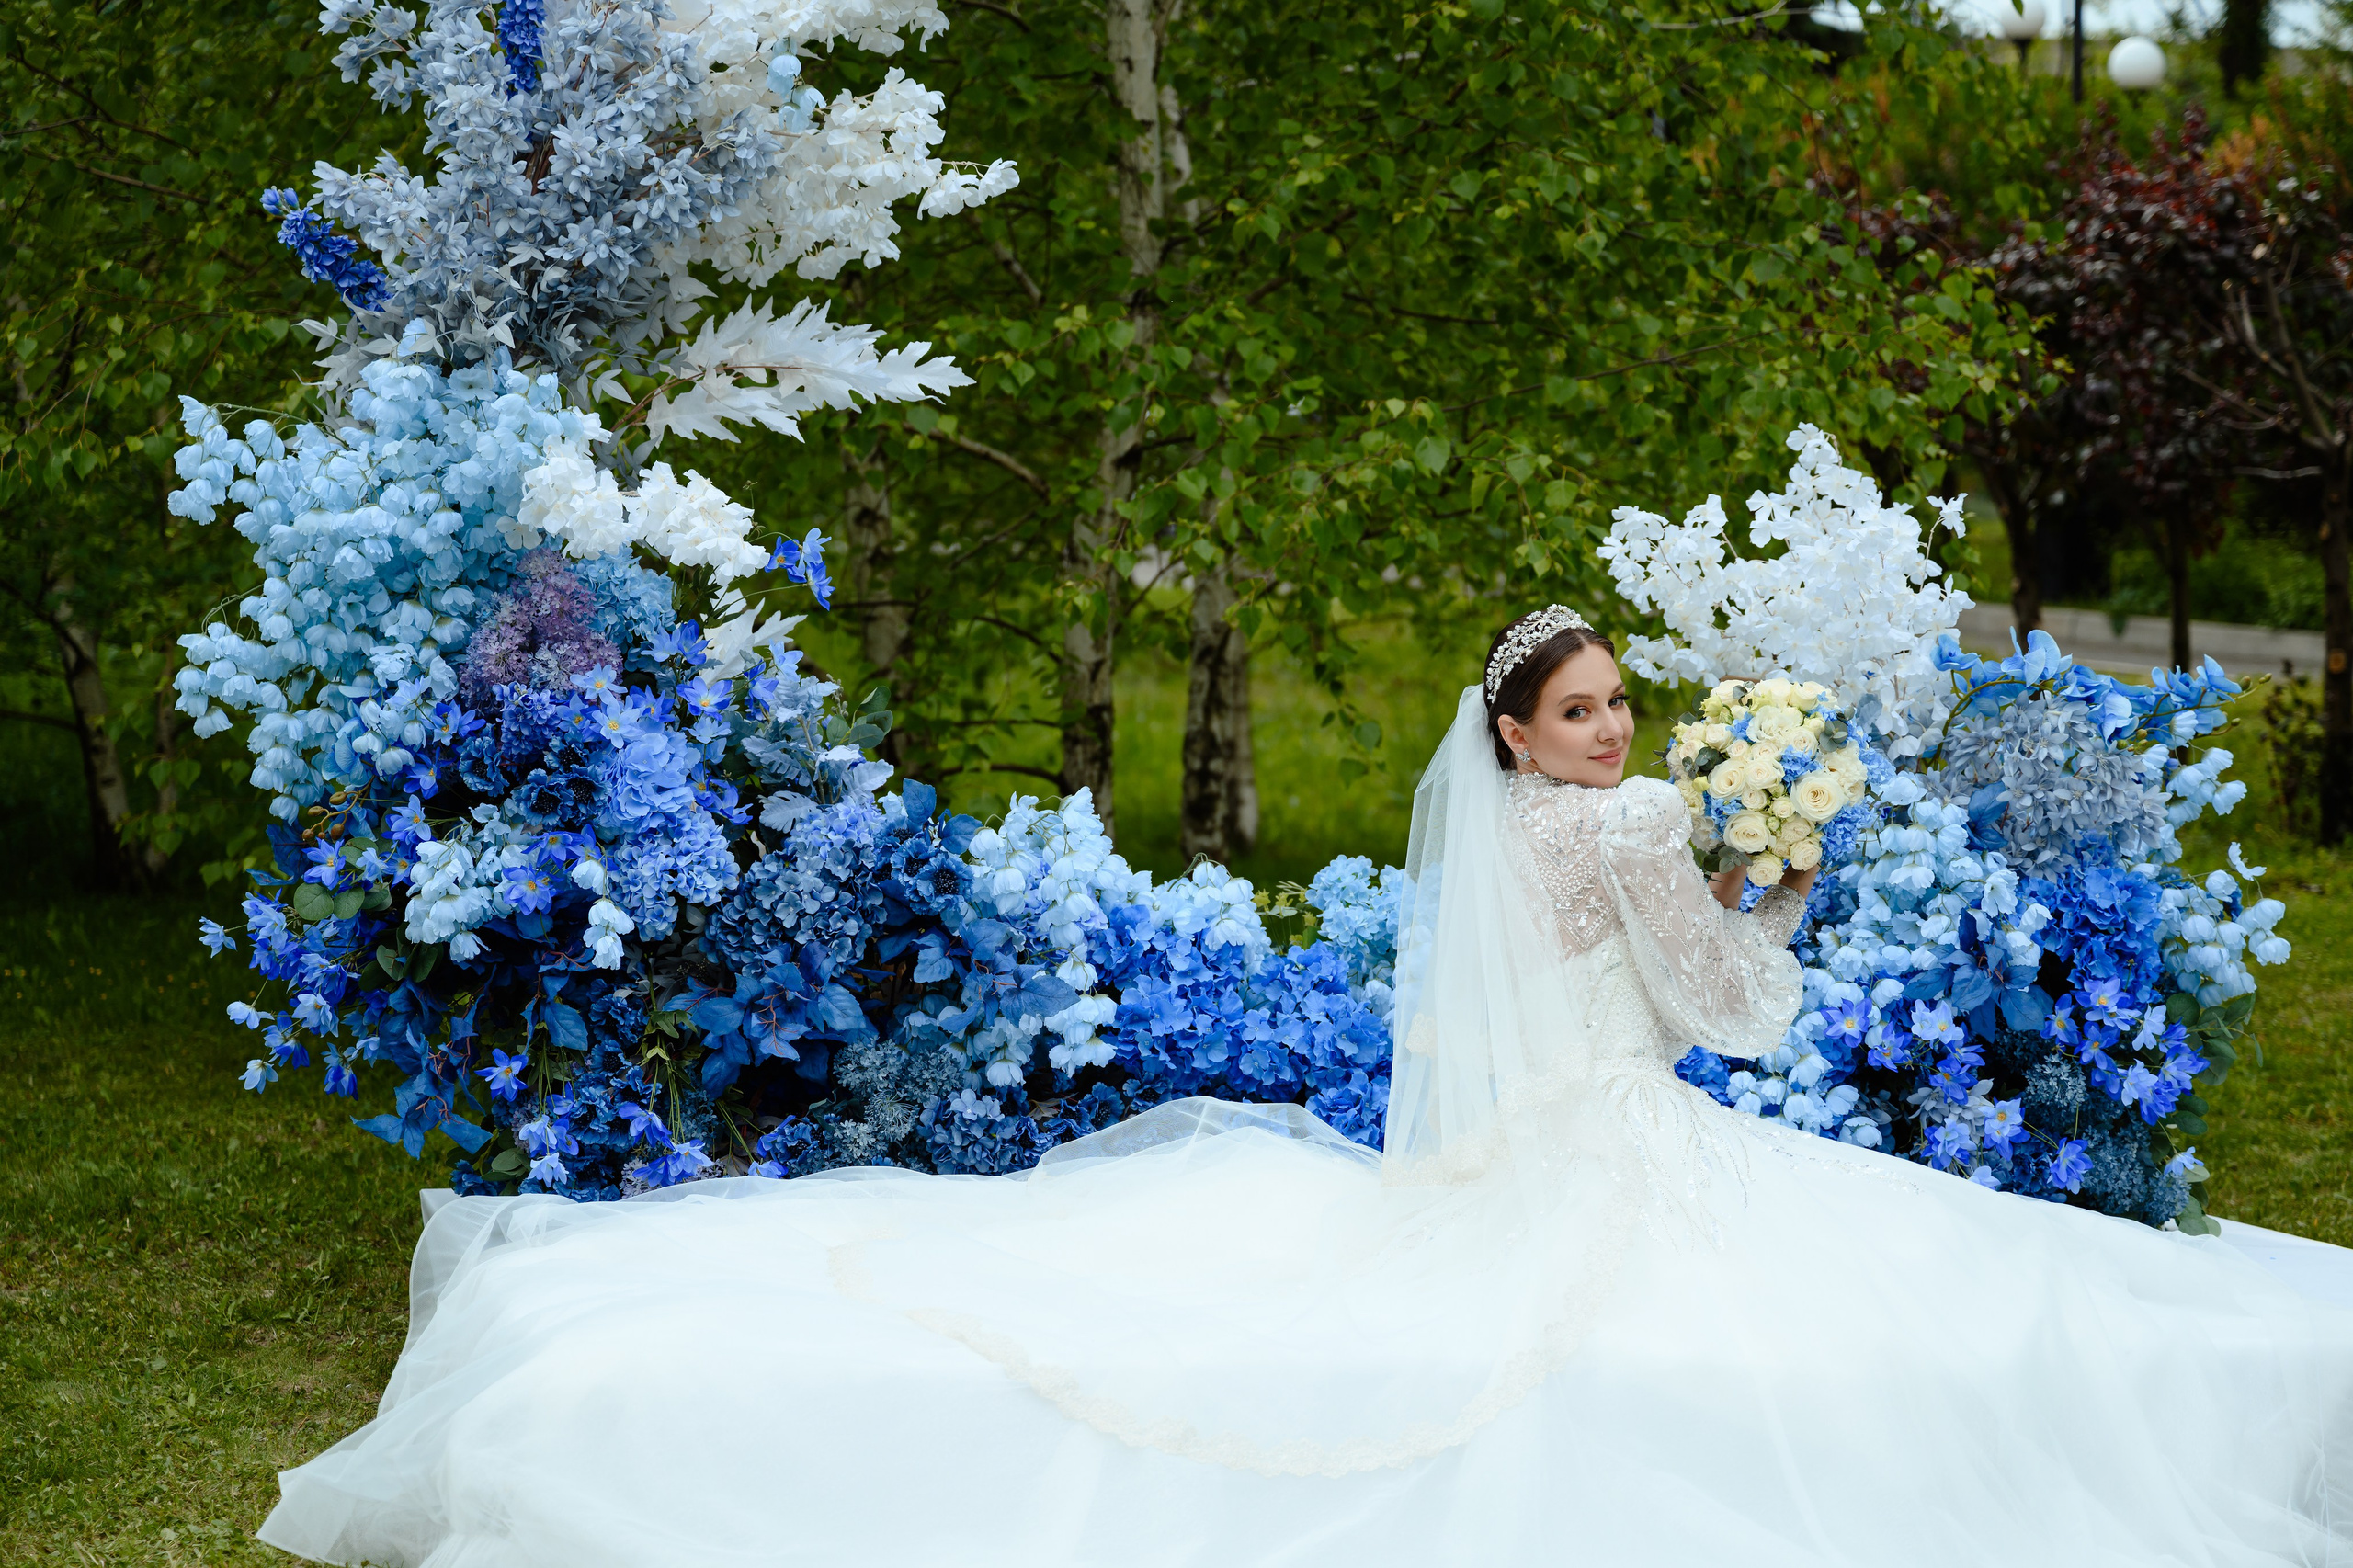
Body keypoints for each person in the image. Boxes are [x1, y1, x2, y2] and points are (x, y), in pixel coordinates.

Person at [260, 608, 2353, 1568]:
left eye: (1623, 702)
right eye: (1582, 708)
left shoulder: (1538, 832)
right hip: (1628, 1158)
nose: (1616, 730)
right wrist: (1775, 881)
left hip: (1481, 1162)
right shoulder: (1633, 835)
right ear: (1517, 735)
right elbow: (1730, 1022)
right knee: (1988, 1313)